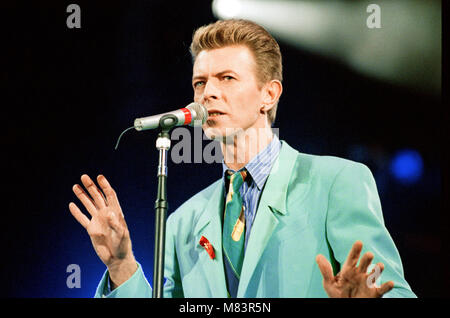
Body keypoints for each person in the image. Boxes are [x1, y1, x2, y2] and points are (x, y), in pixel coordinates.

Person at [69, 19, 416, 298]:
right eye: (200, 83)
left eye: (227, 78)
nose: (209, 93)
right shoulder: (182, 222)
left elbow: (393, 291)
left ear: (269, 93)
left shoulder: (338, 182)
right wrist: (121, 265)